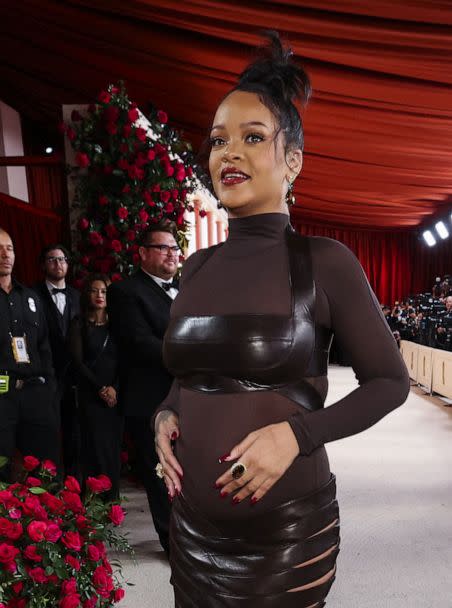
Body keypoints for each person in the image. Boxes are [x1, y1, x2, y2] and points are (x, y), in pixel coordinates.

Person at [154, 32, 410, 607]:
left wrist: (299, 434)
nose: (229, 153)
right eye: (218, 141)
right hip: (190, 528)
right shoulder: (194, 268)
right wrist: (166, 413)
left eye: (252, 137)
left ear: (292, 160)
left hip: (286, 534)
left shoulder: (324, 262)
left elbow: (391, 384)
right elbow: (190, 376)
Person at [108, 221, 180, 554]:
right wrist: (192, 354)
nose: (171, 254)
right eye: (163, 247)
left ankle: (194, 534)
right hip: (150, 398)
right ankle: (172, 542)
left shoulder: (184, 289)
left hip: (186, 396)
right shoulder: (125, 291)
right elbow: (139, 343)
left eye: (175, 248)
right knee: (159, 471)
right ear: (143, 253)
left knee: (188, 468)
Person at [0, 228, 59, 479]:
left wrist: (49, 387)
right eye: (0, 249)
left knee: (45, 470)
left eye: (10, 248)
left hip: (36, 393)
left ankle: (48, 519)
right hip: (2, 394)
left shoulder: (30, 298)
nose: (5, 254)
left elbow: (44, 346)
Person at [68, 274, 123, 500]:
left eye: (104, 291)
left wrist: (115, 388)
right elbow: (77, 362)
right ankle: (93, 501)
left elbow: (125, 361)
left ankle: (112, 501)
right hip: (91, 396)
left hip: (115, 398)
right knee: (93, 449)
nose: (100, 295)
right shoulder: (78, 323)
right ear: (87, 294)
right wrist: (101, 388)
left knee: (112, 450)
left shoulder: (118, 325)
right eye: (95, 291)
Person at [33, 244, 80, 476]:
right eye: (52, 259)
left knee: (75, 432)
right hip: (46, 375)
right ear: (43, 265)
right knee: (48, 433)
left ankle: (75, 482)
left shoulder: (78, 296)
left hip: (75, 377)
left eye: (62, 259)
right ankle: (52, 483)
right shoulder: (32, 296)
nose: (58, 264)